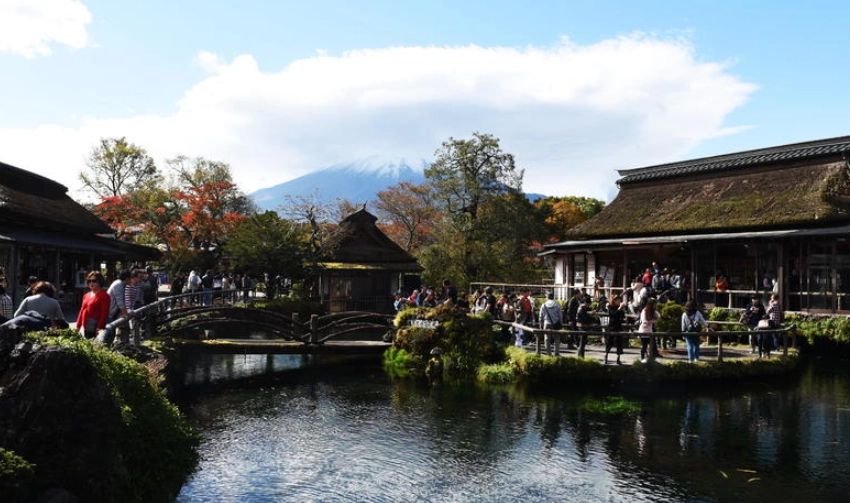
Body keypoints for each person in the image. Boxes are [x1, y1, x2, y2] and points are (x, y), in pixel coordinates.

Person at [76, 271, 111, 338]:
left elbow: (104, 313)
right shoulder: (86, 295)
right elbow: (82, 310)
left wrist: (99, 327)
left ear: (100, 281)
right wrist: (78, 326)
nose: (91, 283)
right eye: (89, 281)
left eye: (94, 281)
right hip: (85, 328)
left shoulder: (104, 295)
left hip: (96, 327)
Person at [603, 295, 626, 365]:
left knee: (619, 342)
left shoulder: (620, 307)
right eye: (618, 301)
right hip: (612, 326)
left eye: (620, 301)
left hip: (618, 326)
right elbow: (613, 314)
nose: (619, 302)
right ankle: (606, 356)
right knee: (609, 342)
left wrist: (622, 309)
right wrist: (619, 309)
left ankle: (618, 358)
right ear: (614, 301)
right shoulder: (610, 307)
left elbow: (622, 316)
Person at [637, 297, 661, 363]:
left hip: (650, 330)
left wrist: (655, 319)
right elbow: (644, 321)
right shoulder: (644, 311)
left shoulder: (653, 311)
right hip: (643, 330)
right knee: (644, 345)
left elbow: (659, 316)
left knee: (651, 345)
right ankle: (642, 358)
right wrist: (653, 321)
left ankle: (650, 358)